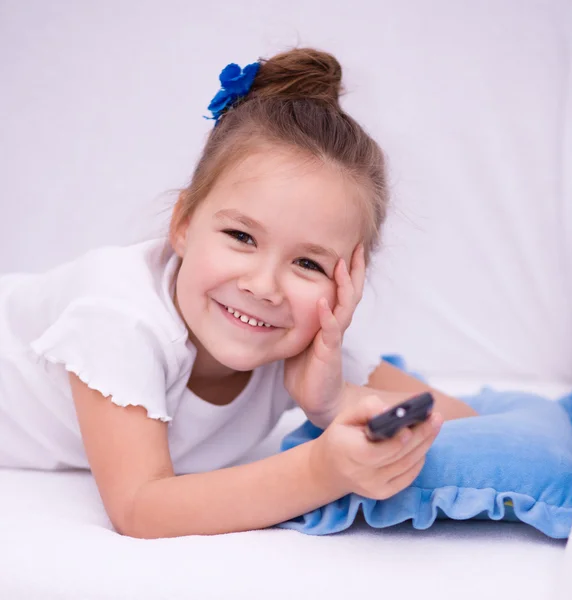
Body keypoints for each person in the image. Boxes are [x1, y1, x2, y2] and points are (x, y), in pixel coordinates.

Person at [0, 48, 477, 538]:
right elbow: (140, 508)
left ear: (347, 285)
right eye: (241, 237)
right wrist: (321, 471)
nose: (263, 287)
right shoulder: (118, 316)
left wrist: (333, 402)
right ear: (183, 224)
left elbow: (461, 421)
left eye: (308, 264)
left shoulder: (300, 344)